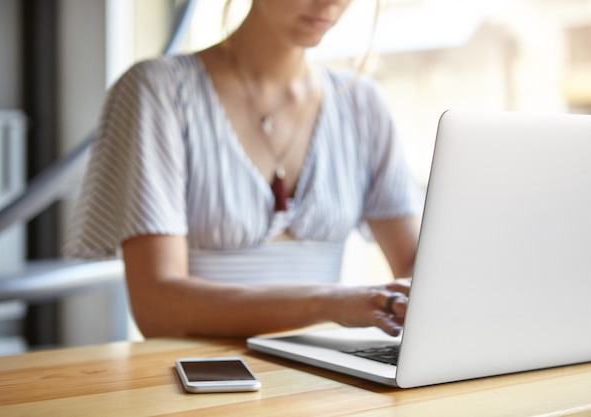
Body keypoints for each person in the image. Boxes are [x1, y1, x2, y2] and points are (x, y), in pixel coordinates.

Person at [64, 0, 422, 339]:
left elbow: (414, 264)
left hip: (323, 382)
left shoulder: (362, 103)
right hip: (202, 383)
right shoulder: (159, 91)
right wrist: (330, 302)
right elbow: (156, 308)